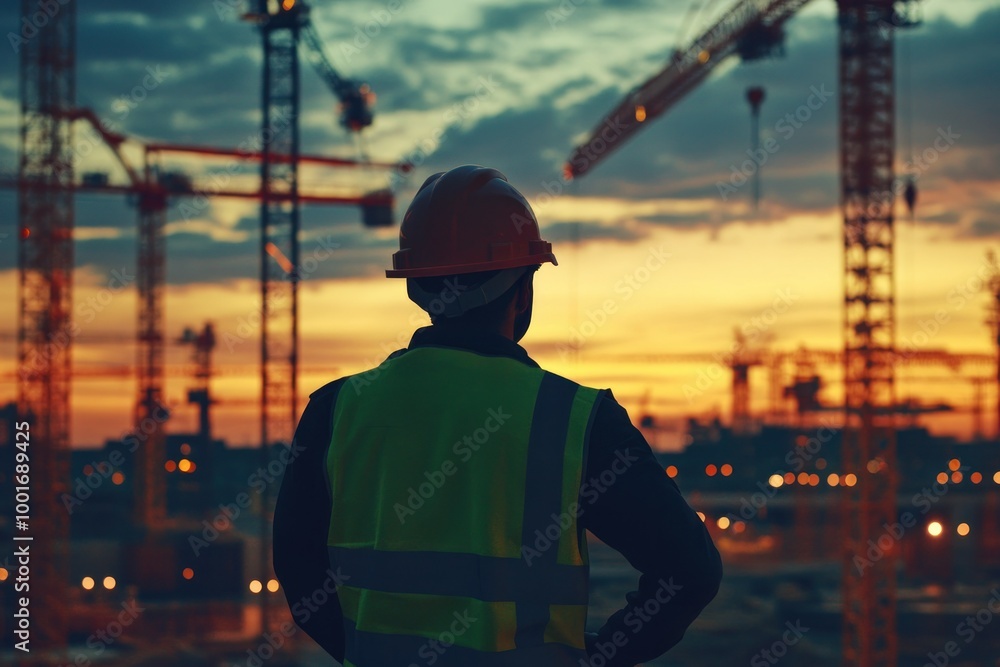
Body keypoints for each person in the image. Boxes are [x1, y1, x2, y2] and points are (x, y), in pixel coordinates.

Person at [273, 165, 722, 666]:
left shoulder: (336, 411)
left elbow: (301, 575)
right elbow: (690, 572)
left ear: (416, 286)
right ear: (522, 287)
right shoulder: (575, 419)